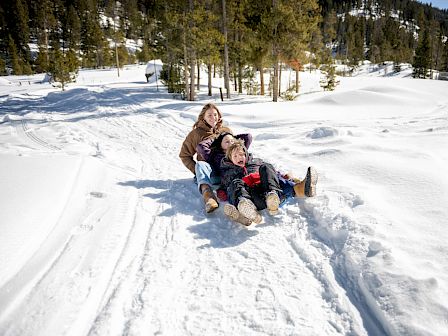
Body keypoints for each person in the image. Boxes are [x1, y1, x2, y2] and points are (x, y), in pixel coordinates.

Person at [220, 140, 318, 225]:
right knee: (236, 183)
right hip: (252, 197)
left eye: (241, 154)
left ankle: (299, 190)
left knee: (267, 167)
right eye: (235, 156)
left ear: (246, 154)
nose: (239, 158)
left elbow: (272, 174)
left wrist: (284, 177)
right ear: (231, 159)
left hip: (267, 191)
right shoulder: (229, 172)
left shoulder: (257, 162)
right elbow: (225, 187)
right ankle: (246, 210)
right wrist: (222, 192)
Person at [179, 103, 232, 213]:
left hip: (225, 171)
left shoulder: (225, 131)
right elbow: (184, 155)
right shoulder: (196, 134)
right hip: (209, 174)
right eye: (209, 115)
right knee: (200, 164)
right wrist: (197, 171)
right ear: (203, 117)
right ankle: (209, 197)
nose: (213, 118)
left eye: (215, 115)